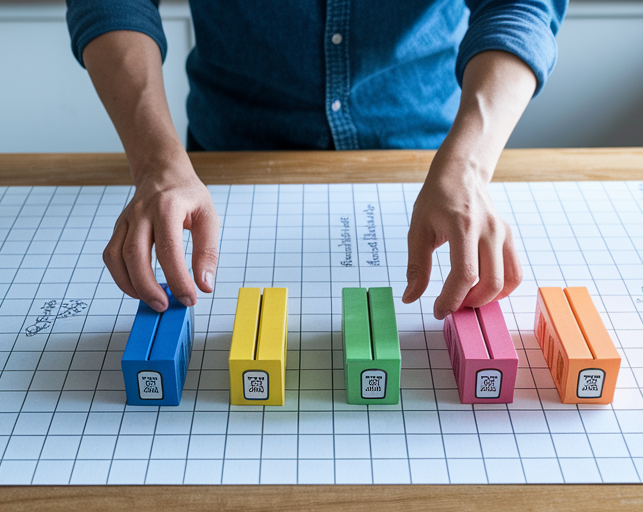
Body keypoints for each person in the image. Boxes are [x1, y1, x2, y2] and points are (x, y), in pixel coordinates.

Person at [67, 0, 564, 319]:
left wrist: (470, 164)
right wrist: (156, 163)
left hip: (432, 160)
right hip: (223, 159)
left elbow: (518, 6)